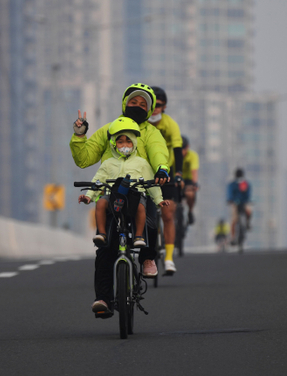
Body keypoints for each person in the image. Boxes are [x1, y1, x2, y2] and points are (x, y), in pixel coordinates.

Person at [70, 83, 170, 278]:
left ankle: (148, 258)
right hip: (112, 192)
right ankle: (104, 299)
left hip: (141, 190)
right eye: (133, 102)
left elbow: (158, 152)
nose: (138, 106)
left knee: (150, 220)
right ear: (125, 104)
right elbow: (84, 159)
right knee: (105, 248)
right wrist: (79, 135)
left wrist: (162, 170)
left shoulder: (151, 133)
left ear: (149, 110)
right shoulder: (108, 130)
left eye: (143, 104)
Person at [78, 117, 169, 315]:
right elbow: (97, 182)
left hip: (135, 202)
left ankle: (139, 239)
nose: (125, 145)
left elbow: (152, 184)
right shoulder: (108, 163)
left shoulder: (143, 163)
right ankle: (103, 298)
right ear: (113, 143)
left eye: (128, 141)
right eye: (120, 141)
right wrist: (88, 196)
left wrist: (158, 199)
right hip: (113, 203)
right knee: (104, 250)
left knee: (144, 215)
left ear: (135, 142)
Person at [148, 86, 183, 275]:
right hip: (145, 173)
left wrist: (178, 174)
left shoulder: (170, 124)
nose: (154, 109)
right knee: (147, 216)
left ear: (164, 107)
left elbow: (178, 151)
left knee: (168, 215)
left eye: (158, 105)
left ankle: (169, 258)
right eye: (151, 105)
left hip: (166, 174)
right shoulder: (141, 124)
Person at [226, 168, 252, 244]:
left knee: (249, 211)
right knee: (234, 221)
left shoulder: (245, 184)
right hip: (235, 204)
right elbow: (230, 194)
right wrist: (230, 200)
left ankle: (248, 223)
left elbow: (248, 194)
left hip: (244, 203)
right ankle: (233, 238)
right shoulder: (232, 184)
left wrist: (247, 200)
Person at [181, 135, 200, 225]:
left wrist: (195, 183)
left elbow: (194, 171)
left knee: (190, 194)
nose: (181, 152)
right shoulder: (172, 154)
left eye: (183, 149)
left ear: (187, 147)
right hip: (175, 178)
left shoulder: (193, 156)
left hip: (188, 180)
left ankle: (190, 211)